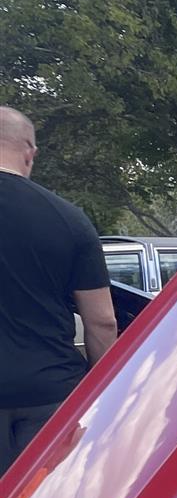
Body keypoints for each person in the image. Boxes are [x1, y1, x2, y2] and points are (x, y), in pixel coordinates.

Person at [0, 106, 116, 471]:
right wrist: (104, 399)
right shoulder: (69, 219)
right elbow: (102, 322)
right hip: (50, 400)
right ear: (29, 153)